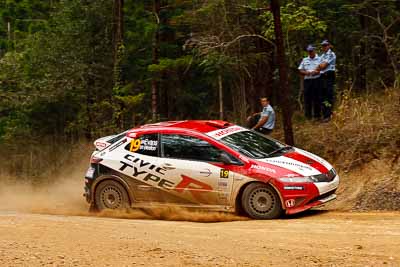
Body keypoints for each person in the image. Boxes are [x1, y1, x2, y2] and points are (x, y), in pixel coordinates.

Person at [298, 45, 322, 120]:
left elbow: (323, 68)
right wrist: (305, 72)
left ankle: (317, 116)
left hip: (317, 80)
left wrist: (317, 72)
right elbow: (300, 69)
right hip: (307, 81)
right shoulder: (305, 60)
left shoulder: (320, 59)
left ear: (314, 50)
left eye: (311, 50)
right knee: (307, 98)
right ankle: (308, 116)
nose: (310, 52)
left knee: (317, 98)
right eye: (309, 51)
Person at [318, 40, 336, 122]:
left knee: (329, 95)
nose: (324, 47)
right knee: (322, 96)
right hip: (322, 76)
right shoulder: (322, 56)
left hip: (329, 75)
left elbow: (323, 66)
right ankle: (325, 115)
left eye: (325, 45)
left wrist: (320, 66)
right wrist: (320, 66)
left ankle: (329, 115)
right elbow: (318, 66)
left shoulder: (331, 54)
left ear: (329, 46)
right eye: (323, 45)